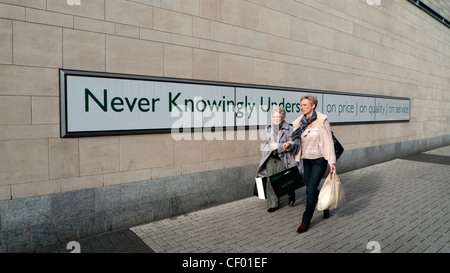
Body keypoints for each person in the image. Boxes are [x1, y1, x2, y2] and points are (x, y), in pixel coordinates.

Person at [283, 95, 336, 233]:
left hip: (320, 159)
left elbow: (329, 141)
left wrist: (331, 161)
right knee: (311, 189)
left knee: (310, 190)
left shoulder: (322, 121)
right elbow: (296, 140)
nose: (302, 107)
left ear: (313, 106)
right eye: (301, 105)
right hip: (306, 160)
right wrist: (289, 144)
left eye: (305, 105)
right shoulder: (300, 122)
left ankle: (305, 221)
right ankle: (325, 206)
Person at [256, 107, 297, 212]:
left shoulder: (290, 129)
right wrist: (266, 151)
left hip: (283, 158)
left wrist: (279, 146)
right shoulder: (269, 128)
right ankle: (273, 204)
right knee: (270, 180)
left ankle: (291, 193)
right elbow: (267, 142)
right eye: (274, 116)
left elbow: (293, 144)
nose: (276, 119)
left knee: (282, 180)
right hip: (271, 158)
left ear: (283, 117)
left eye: (278, 116)